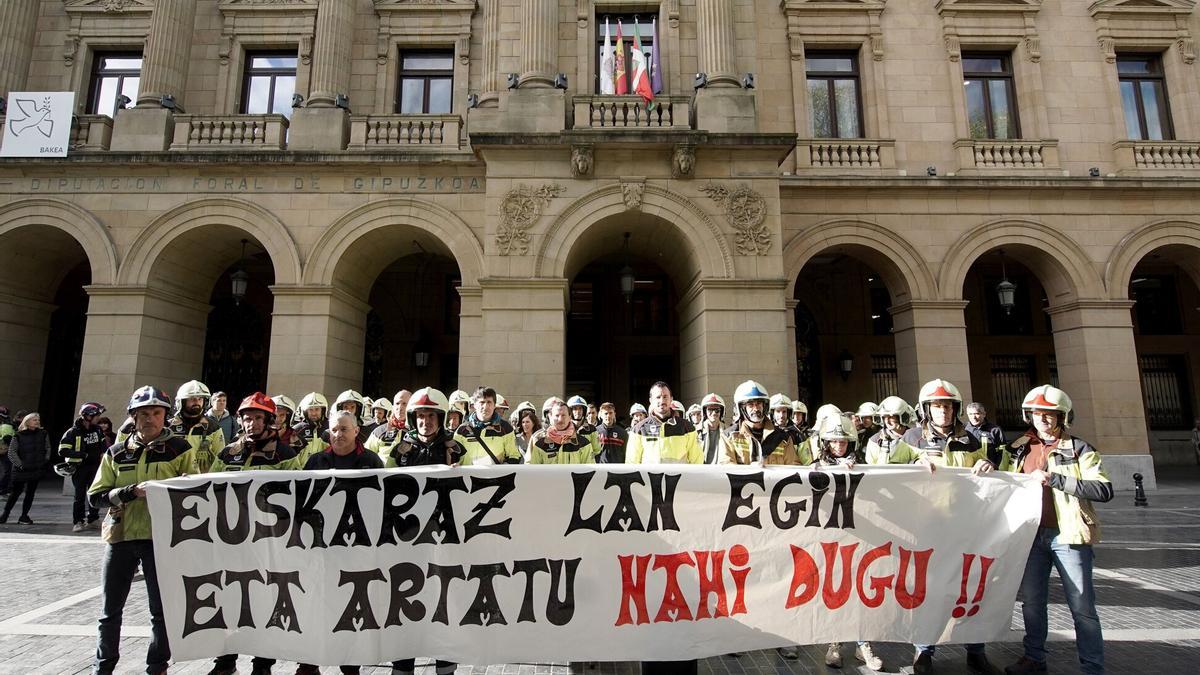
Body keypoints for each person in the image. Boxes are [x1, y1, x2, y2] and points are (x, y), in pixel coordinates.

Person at [1004, 385, 1111, 675]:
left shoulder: (1080, 449)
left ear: (1062, 417)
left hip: (1069, 535)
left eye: (1050, 414)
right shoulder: (1018, 448)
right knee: (1032, 603)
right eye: (1038, 414)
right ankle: (1034, 657)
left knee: (1082, 607)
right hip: (1030, 535)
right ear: (1030, 416)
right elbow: (1001, 482)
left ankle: (1092, 666)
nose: (1044, 419)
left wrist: (1055, 479)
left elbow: (1102, 489)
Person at [88, 386, 192, 675]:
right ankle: (103, 666)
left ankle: (157, 666)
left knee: (161, 612)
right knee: (110, 613)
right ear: (133, 417)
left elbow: (197, 493)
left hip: (160, 540)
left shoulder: (181, 450)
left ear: (165, 416)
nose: (150, 418)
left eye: (156, 413)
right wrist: (131, 492)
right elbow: (95, 496)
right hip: (120, 538)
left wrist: (185, 487)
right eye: (143, 413)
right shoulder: (116, 452)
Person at [903, 379, 996, 675]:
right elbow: (887, 469)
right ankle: (924, 651)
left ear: (955, 409)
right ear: (926, 409)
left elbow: (998, 469)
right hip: (927, 526)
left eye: (947, 406)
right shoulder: (912, 437)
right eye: (937, 406)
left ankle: (976, 650)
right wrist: (913, 464)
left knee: (972, 588)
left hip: (966, 525)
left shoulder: (972, 439)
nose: (942, 411)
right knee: (928, 590)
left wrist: (990, 466)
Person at [207, 393, 298, 675]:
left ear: (270, 421)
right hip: (232, 542)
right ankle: (225, 661)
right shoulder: (226, 454)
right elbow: (209, 492)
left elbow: (296, 499)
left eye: (258, 418)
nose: (251, 423)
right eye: (247, 417)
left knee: (265, 603)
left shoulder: (286, 456)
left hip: (269, 543)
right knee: (229, 601)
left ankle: (262, 664)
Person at [380, 388, 460, 675]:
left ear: (440, 417)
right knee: (403, 600)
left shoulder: (457, 446)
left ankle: (445, 664)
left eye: (430, 415)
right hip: (407, 538)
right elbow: (382, 484)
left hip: (444, 538)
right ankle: (402, 664)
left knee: (443, 602)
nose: (425, 421)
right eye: (420, 416)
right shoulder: (401, 448)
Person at [297, 410, 381, 674]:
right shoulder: (315, 461)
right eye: (334, 429)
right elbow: (300, 502)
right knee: (316, 605)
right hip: (320, 549)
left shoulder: (372, 461)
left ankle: (350, 664)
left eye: (344, 429)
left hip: (355, 549)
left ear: (357, 431)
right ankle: (309, 663)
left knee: (350, 607)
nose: (338, 434)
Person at [810, 413, 885, 672]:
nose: (839, 446)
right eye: (834, 441)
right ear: (826, 443)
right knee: (834, 590)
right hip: (830, 537)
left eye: (843, 442)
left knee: (861, 590)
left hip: (861, 536)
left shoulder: (862, 463)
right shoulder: (815, 464)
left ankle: (864, 645)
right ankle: (834, 643)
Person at [720, 385, 809, 469]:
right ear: (742, 408)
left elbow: (794, 468)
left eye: (759, 404)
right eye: (750, 405)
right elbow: (726, 468)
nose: (756, 409)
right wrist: (750, 470)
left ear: (764, 406)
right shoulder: (729, 436)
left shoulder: (783, 438)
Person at [58, 402, 109, 532]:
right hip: (80, 468)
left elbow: (103, 447)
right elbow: (62, 450)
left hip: (95, 468)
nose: (98, 418)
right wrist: (83, 455)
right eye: (96, 415)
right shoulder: (72, 432)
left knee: (95, 494)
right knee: (79, 495)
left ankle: (93, 519)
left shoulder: (97, 430)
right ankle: (78, 522)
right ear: (87, 416)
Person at [1, 412, 51, 525]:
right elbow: (11, 452)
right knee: (15, 493)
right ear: (27, 422)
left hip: (36, 468)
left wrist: (44, 461)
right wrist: (20, 465)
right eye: (34, 420)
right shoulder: (18, 435)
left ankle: (24, 516)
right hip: (21, 470)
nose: (37, 422)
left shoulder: (43, 433)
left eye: (38, 420)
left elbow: (48, 447)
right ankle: (5, 514)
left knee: (30, 493)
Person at [171, 380, 226, 475]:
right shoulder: (169, 427)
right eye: (192, 398)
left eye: (200, 398)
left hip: (202, 483)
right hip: (172, 481)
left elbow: (221, 459)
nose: (196, 402)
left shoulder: (213, 428)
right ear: (182, 402)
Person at [455, 386, 522, 465]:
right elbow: (454, 456)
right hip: (468, 477)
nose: (485, 407)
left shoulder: (505, 428)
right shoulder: (462, 430)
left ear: (494, 406)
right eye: (482, 402)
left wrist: (502, 471)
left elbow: (514, 456)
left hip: (495, 476)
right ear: (475, 405)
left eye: (489, 402)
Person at [530, 398, 598, 464]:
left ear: (570, 417)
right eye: (557, 415)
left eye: (563, 415)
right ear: (551, 417)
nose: (560, 419)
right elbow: (533, 472)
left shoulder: (584, 444)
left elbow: (589, 472)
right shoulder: (540, 445)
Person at [864, 396, 918, 465]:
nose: (887, 421)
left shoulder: (916, 436)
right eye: (884, 417)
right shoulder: (874, 441)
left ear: (903, 416)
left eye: (891, 417)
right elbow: (872, 468)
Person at [366, 390, 412, 459]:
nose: (400, 408)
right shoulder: (379, 431)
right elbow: (366, 456)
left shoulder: (419, 432)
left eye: (404, 404)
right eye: (397, 403)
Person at [293, 392, 329, 467]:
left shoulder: (331, 428)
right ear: (305, 411)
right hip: (301, 472)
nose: (313, 413)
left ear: (323, 410)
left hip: (325, 471)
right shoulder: (297, 430)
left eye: (317, 409)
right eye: (310, 410)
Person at [965, 402, 1007, 467]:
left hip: (989, 470)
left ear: (984, 414)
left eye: (977, 414)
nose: (973, 417)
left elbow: (1003, 453)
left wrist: (995, 466)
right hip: (969, 469)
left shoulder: (995, 430)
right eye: (970, 414)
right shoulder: (963, 429)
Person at [697, 393, 725, 464]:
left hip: (721, 471)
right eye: (710, 410)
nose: (713, 413)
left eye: (717, 410)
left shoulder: (727, 432)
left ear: (721, 412)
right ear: (705, 412)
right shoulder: (696, 432)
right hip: (702, 471)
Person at [0, 406, 14, 496]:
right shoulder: (7, 425)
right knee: (7, 471)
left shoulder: (4, 425)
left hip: (3, 450)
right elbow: (7, 438)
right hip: (4, 451)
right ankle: (3, 489)